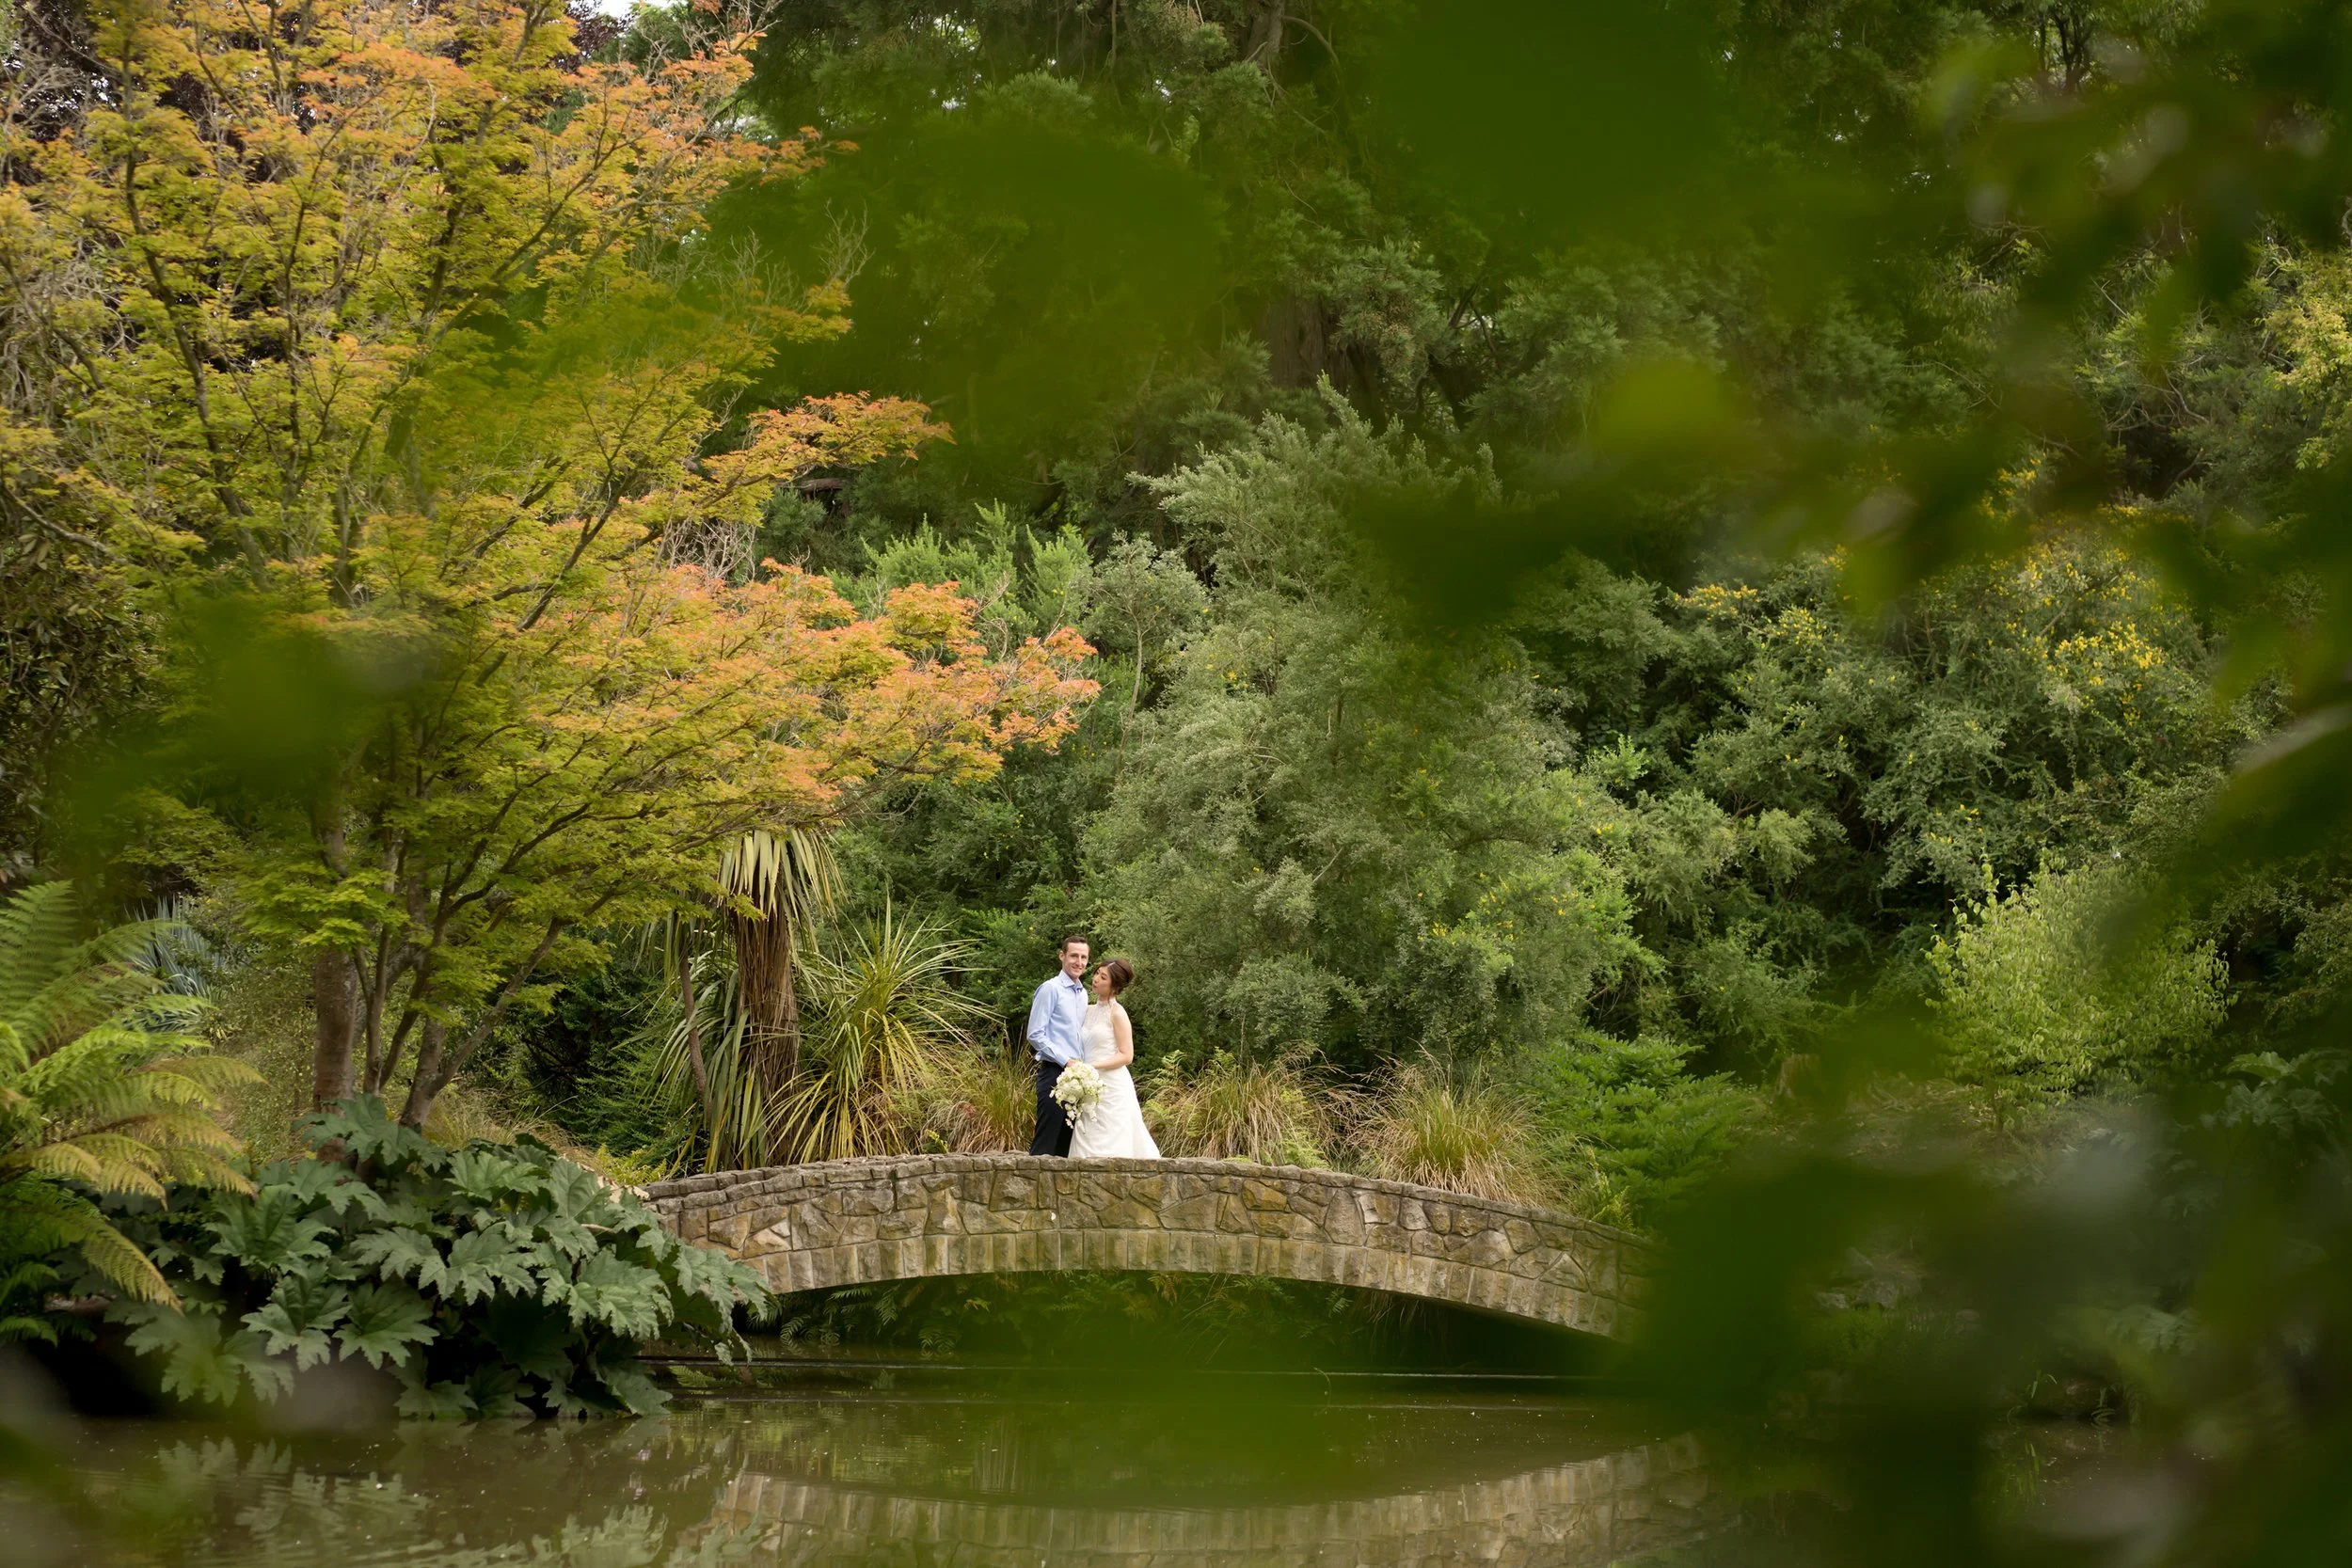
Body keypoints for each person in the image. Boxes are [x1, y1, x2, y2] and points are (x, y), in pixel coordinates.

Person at [1069, 958, 1160, 1160]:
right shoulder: (1087, 1010)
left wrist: (1092, 1066)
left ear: (1115, 985)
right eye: (1096, 974)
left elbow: (1126, 1055)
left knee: (1113, 1139)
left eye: (1103, 977)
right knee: (1086, 1133)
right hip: (1088, 1083)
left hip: (1112, 1085)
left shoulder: (1118, 1013)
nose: (1095, 979)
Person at [1025, 935, 1092, 1155]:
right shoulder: (1050, 989)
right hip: (1054, 1073)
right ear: (1062, 956)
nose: (1079, 962)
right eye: (1074, 955)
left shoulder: (1083, 995)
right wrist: (1066, 1061)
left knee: (1068, 1145)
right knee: (1046, 1143)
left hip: (1078, 1078)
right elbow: (1035, 1034)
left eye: (1084, 957)